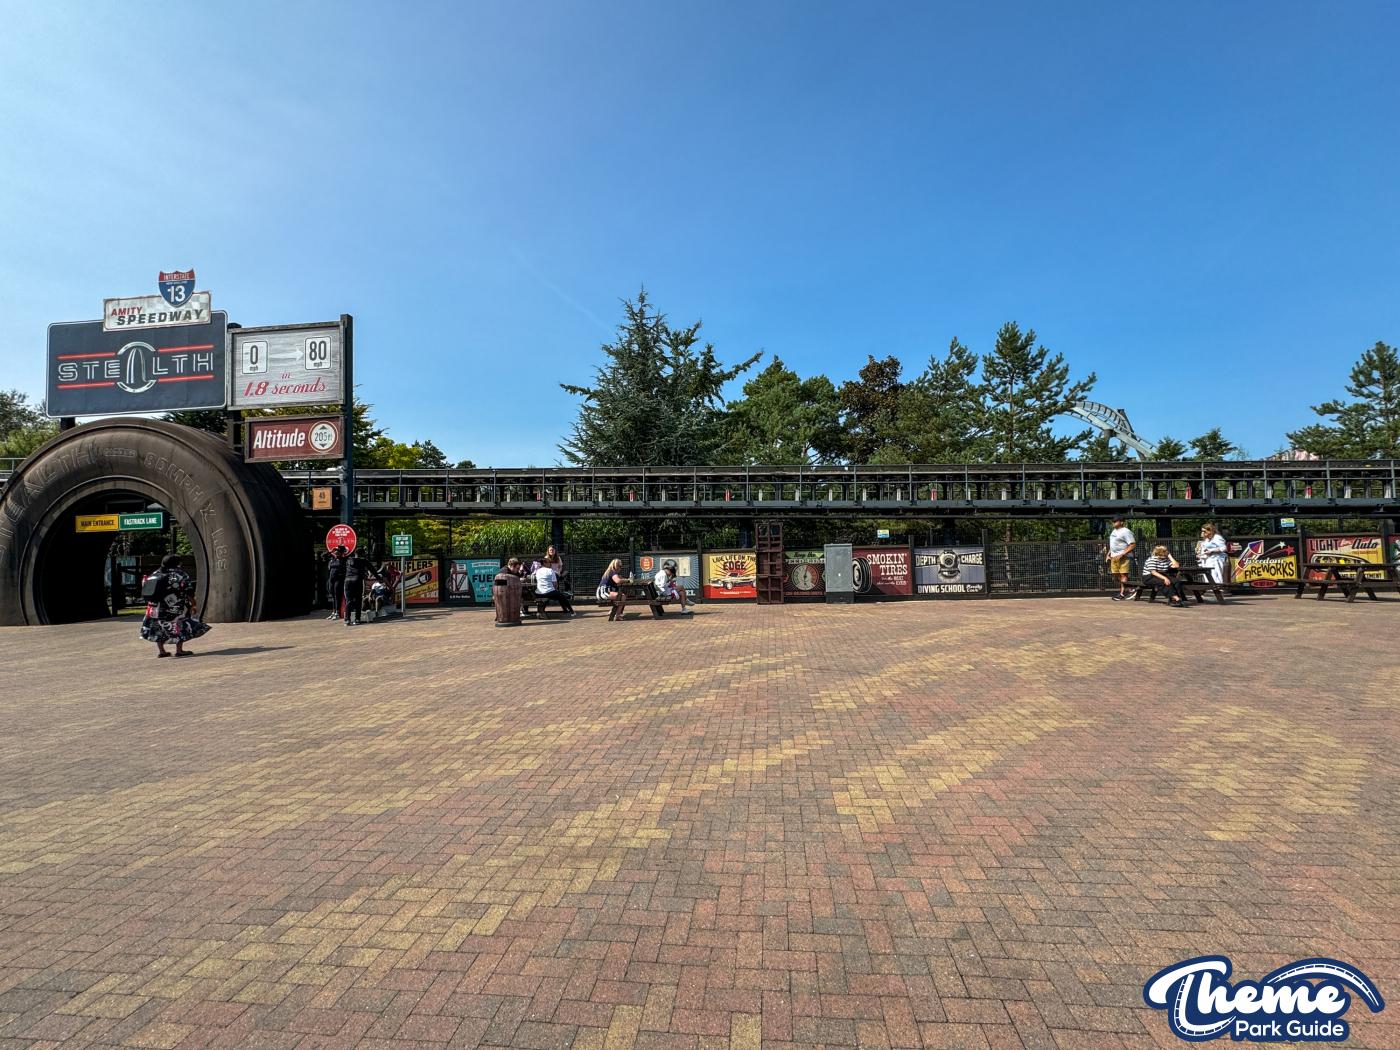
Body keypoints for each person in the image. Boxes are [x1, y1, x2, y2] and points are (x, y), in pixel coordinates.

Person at [140, 554, 211, 657]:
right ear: (177, 563)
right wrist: (193, 604)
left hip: (155, 607)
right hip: (174, 607)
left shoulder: (155, 573)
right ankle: (179, 650)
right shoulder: (179, 574)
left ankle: (162, 651)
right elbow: (188, 590)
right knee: (179, 625)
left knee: (158, 626)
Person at [1106, 516, 1137, 600]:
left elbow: (1132, 544)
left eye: (1115, 521)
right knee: (1115, 574)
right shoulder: (1114, 531)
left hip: (1124, 557)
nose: (1113, 523)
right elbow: (1113, 544)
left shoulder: (1126, 531)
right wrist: (1108, 554)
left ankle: (1122, 593)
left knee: (1123, 574)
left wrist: (1123, 553)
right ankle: (1130, 589)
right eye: (1113, 521)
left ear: (1122, 522)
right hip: (1114, 556)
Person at [342, 551, 376, 626]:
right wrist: (378, 577)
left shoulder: (348, 560)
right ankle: (357, 619)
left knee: (349, 601)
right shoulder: (363, 561)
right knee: (358, 600)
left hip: (347, 581)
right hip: (357, 580)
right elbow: (372, 569)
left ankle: (347, 620)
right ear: (362, 554)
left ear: (355, 554)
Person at [326, 545, 349, 620]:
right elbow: (323, 556)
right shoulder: (332, 559)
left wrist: (342, 552)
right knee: (333, 596)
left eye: (338, 551)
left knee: (337, 596)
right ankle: (333, 612)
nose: (336, 552)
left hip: (339, 580)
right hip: (331, 579)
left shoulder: (344, 560)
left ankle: (338, 613)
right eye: (335, 551)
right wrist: (331, 551)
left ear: (341, 552)